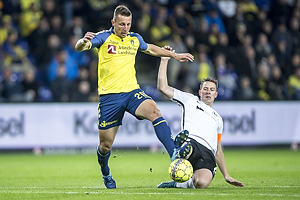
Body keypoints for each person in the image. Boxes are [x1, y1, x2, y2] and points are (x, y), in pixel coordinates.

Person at [75, 5, 194, 189]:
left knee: (154, 111)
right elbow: (80, 47)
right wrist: (83, 41)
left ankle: (174, 154)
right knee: (105, 146)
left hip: (132, 92)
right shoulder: (104, 37)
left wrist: (174, 55)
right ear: (113, 22)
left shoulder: (134, 39)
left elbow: (151, 49)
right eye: (121, 24)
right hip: (109, 98)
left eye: (128, 24)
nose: (125, 28)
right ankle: (105, 171)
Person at [156, 46, 244, 189]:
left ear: (216, 94)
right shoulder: (190, 100)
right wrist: (164, 60)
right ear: (200, 91)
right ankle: (180, 150)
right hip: (192, 143)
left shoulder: (218, 119)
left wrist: (227, 175)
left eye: (212, 90)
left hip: (207, 153)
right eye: (205, 89)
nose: (208, 92)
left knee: (201, 183)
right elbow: (162, 87)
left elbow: (218, 150)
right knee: (188, 146)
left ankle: (178, 184)